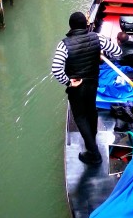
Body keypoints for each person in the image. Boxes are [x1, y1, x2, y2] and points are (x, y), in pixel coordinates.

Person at [52, 11, 122, 165]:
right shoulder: (97, 38)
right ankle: (93, 136)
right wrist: (101, 52)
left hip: (77, 87)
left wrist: (69, 82)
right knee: (91, 111)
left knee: (80, 117)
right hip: (92, 84)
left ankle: (93, 153)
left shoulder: (64, 44)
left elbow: (56, 69)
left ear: (71, 26)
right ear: (85, 25)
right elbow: (117, 52)